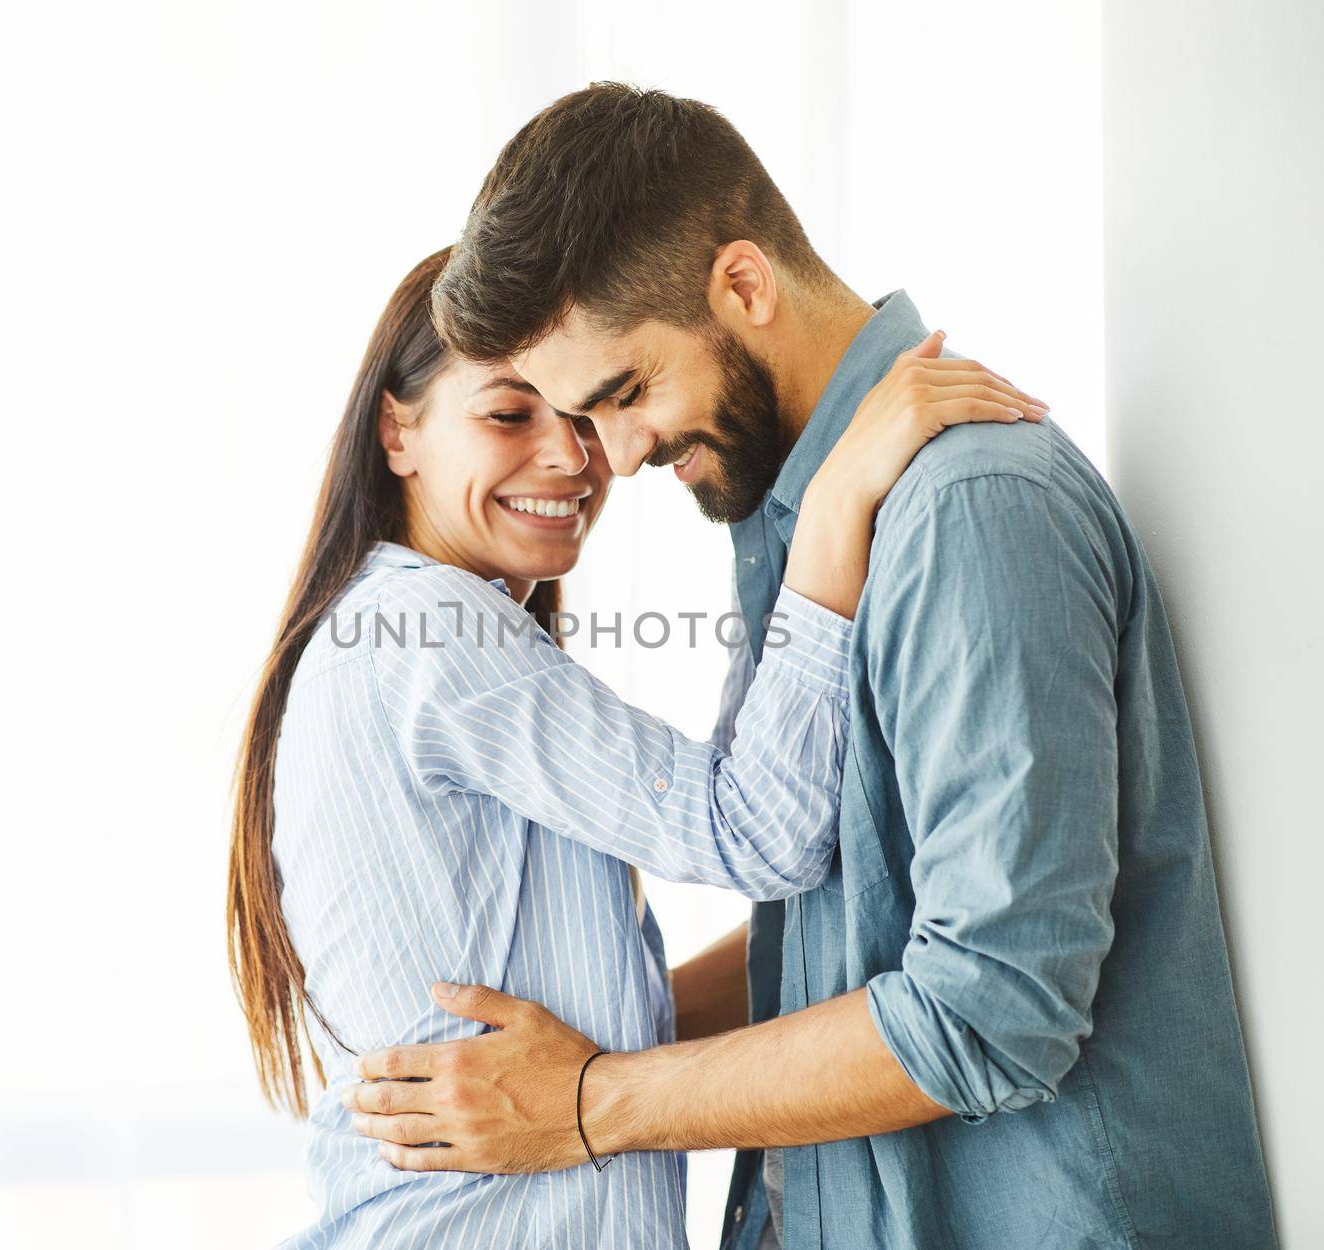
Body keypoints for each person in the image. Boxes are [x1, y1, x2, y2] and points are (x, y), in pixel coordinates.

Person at [346, 85, 1279, 1249]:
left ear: (743, 286)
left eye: (625, 394)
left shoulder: (967, 509)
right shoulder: (804, 530)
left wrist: (596, 1102)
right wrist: (545, 1072)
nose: (617, 458)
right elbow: (844, 932)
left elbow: (994, 1009)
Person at [227, 246, 1041, 1249]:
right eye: (506, 414)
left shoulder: (400, 631)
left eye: (576, 413)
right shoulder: (429, 630)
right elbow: (757, 829)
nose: (575, 456)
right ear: (398, 429)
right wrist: (830, 512)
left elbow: (595, 1024)